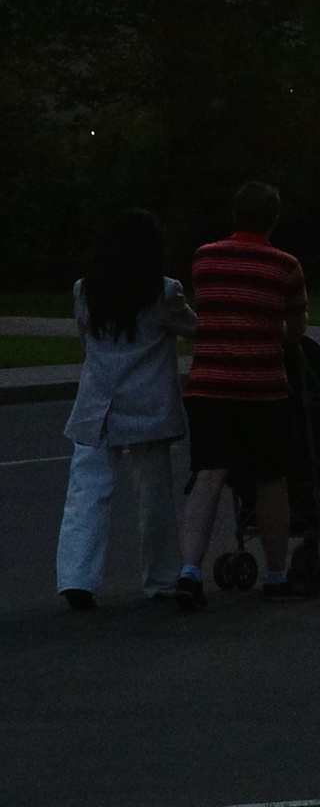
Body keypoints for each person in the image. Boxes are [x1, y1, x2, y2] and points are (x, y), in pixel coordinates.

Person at [175, 181, 309, 608]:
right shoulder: (286, 267)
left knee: (208, 475)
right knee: (271, 480)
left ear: (234, 215)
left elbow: (210, 307)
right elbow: (295, 330)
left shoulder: (204, 258)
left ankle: (189, 573)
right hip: (262, 389)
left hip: (209, 386)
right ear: (274, 220)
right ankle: (276, 575)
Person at [55, 211, 192, 611]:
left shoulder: (86, 290)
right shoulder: (164, 292)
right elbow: (194, 328)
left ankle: (76, 577)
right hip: (148, 407)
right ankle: (162, 578)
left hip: (97, 404)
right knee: (154, 496)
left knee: (86, 492)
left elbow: (87, 341)